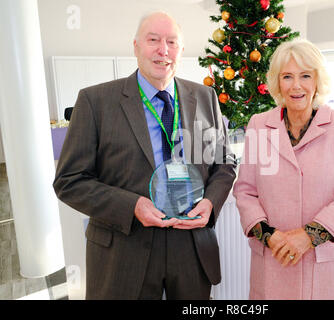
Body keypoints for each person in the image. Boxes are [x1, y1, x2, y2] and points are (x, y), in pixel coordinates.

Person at [53, 11, 236, 300]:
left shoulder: (205, 97)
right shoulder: (95, 101)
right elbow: (69, 181)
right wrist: (132, 205)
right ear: (136, 46)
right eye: (153, 40)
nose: (163, 50)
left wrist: (211, 202)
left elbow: (225, 163)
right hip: (125, 250)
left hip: (190, 247)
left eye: (172, 42)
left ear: (181, 51)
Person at [233, 39, 334, 300]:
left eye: (305, 75)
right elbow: (245, 191)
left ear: (317, 81)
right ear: (277, 82)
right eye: (287, 76)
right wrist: (269, 237)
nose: (296, 86)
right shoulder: (259, 125)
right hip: (274, 259)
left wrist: (309, 235)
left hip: (322, 262)